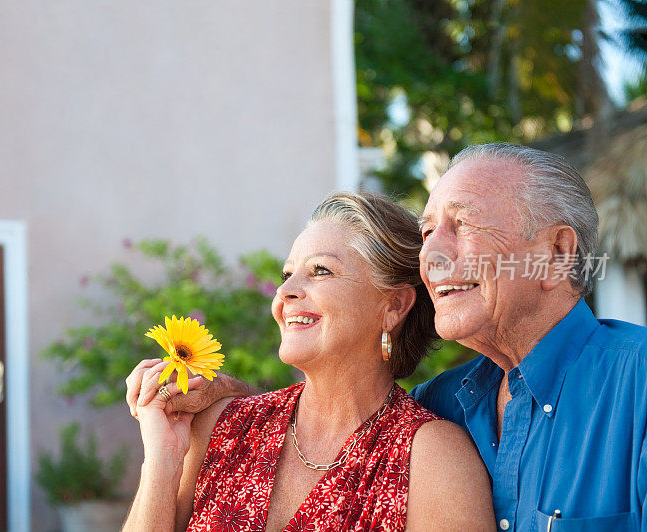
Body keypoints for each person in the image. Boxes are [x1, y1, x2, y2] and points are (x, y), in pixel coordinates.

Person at [147, 143, 647, 531]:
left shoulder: (637, 382)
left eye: (463, 224)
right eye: (428, 232)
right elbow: (339, 416)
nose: (433, 255)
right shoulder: (449, 401)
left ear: (555, 253)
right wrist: (216, 399)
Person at [123, 192, 495, 531]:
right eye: (287, 275)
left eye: (321, 271)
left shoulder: (432, 459)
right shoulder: (223, 426)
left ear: (394, 306)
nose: (285, 292)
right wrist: (163, 460)